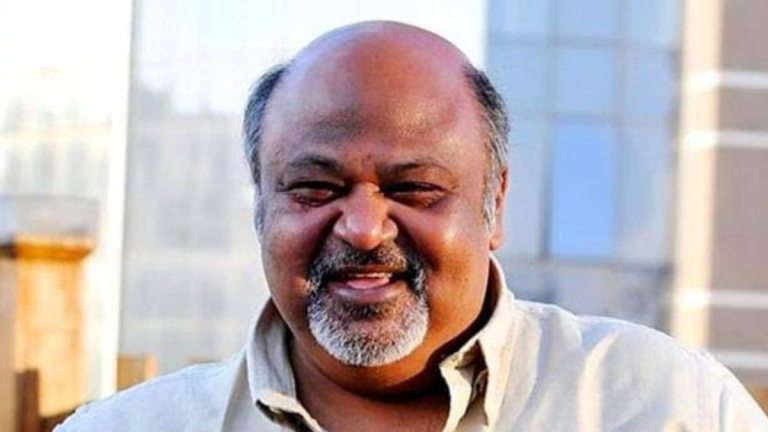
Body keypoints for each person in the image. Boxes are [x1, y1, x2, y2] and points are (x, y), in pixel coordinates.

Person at [57, 21, 768, 432]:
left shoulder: (665, 407)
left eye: (414, 189)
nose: (364, 228)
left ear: (494, 205)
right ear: (261, 207)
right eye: (315, 188)